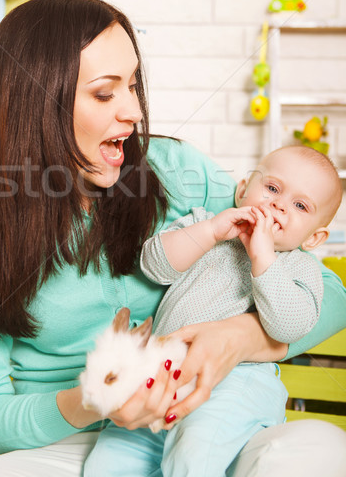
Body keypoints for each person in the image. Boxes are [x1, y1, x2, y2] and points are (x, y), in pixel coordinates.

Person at [0, 0, 346, 477]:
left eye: (133, 86)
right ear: (39, 103)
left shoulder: (178, 171)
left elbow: (332, 294)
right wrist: (96, 399)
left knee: (319, 450)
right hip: (74, 445)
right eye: (104, 92)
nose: (134, 111)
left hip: (210, 418)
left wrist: (239, 339)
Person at [84, 145, 342, 477]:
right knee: (110, 459)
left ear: (315, 237)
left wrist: (263, 255)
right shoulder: (205, 224)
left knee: (194, 455)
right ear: (243, 190)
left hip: (237, 381)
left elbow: (288, 327)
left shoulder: (300, 267)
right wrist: (210, 232)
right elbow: (154, 264)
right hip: (161, 377)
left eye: (300, 205)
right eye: (273, 189)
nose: (278, 204)